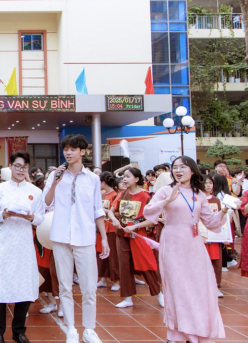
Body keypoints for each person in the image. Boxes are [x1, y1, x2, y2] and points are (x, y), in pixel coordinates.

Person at [143, 156, 227, 343]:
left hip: (195, 244)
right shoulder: (166, 190)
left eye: (183, 167)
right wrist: (165, 202)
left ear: (192, 170)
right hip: (172, 243)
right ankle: (178, 333)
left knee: (198, 288)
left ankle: (198, 331)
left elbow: (211, 223)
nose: (178, 170)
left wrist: (224, 212)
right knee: (178, 288)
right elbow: (148, 212)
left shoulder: (199, 194)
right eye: (175, 167)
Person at [42, 135, 109, 343]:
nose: (68, 152)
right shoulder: (55, 176)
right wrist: (55, 182)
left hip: (86, 237)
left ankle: (89, 329)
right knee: (64, 286)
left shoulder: (93, 179)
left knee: (89, 287)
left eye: (73, 149)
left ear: (83, 151)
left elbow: (97, 210)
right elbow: (46, 202)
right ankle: (71, 328)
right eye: (65, 149)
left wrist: (104, 238)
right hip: (61, 237)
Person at [0, 151, 44, 343]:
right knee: (0, 290)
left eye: (25, 167)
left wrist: (32, 218)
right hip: (4, 245)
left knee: (24, 288)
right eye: (18, 166)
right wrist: (2, 215)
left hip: (24, 247)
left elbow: (41, 218)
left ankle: (19, 331)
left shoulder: (35, 192)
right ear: (10, 166)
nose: (21, 170)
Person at [107, 167, 163, 308]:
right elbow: (111, 211)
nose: (124, 179)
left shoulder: (145, 197)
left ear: (137, 179)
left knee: (146, 264)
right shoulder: (122, 194)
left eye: (128, 176)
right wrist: (113, 219)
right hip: (121, 234)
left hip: (138, 235)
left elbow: (152, 219)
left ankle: (158, 294)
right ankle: (127, 298)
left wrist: (135, 227)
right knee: (124, 266)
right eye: (123, 177)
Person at [96, 172, 120, 292]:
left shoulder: (115, 195)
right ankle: (103, 279)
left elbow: (118, 212)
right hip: (102, 228)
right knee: (102, 254)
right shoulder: (103, 194)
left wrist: (104, 210)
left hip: (111, 228)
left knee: (113, 256)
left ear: (103, 182)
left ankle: (116, 280)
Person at [203, 174, 225, 297]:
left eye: (210, 183)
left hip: (214, 236)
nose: (208, 185)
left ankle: (215, 286)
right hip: (201, 235)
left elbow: (222, 218)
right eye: (205, 183)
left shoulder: (216, 200)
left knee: (215, 260)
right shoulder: (196, 199)